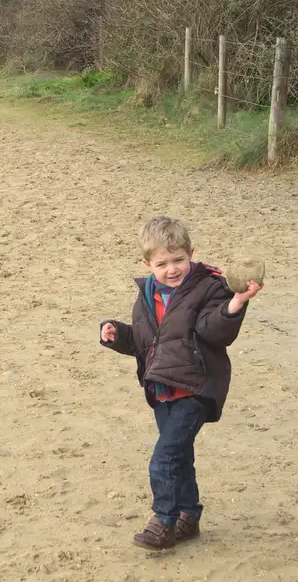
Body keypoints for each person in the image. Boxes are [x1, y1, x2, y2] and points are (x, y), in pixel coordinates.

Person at [99, 216, 261, 550]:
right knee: (180, 454)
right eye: (162, 263)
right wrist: (117, 334)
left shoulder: (210, 287)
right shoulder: (145, 295)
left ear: (191, 253)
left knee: (164, 456)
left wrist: (236, 304)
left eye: (178, 260)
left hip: (196, 388)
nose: (172, 269)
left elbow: (213, 330)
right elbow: (144, 342)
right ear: (147, 263)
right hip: (162, 389)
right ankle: (188, 514)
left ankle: (163, 521)